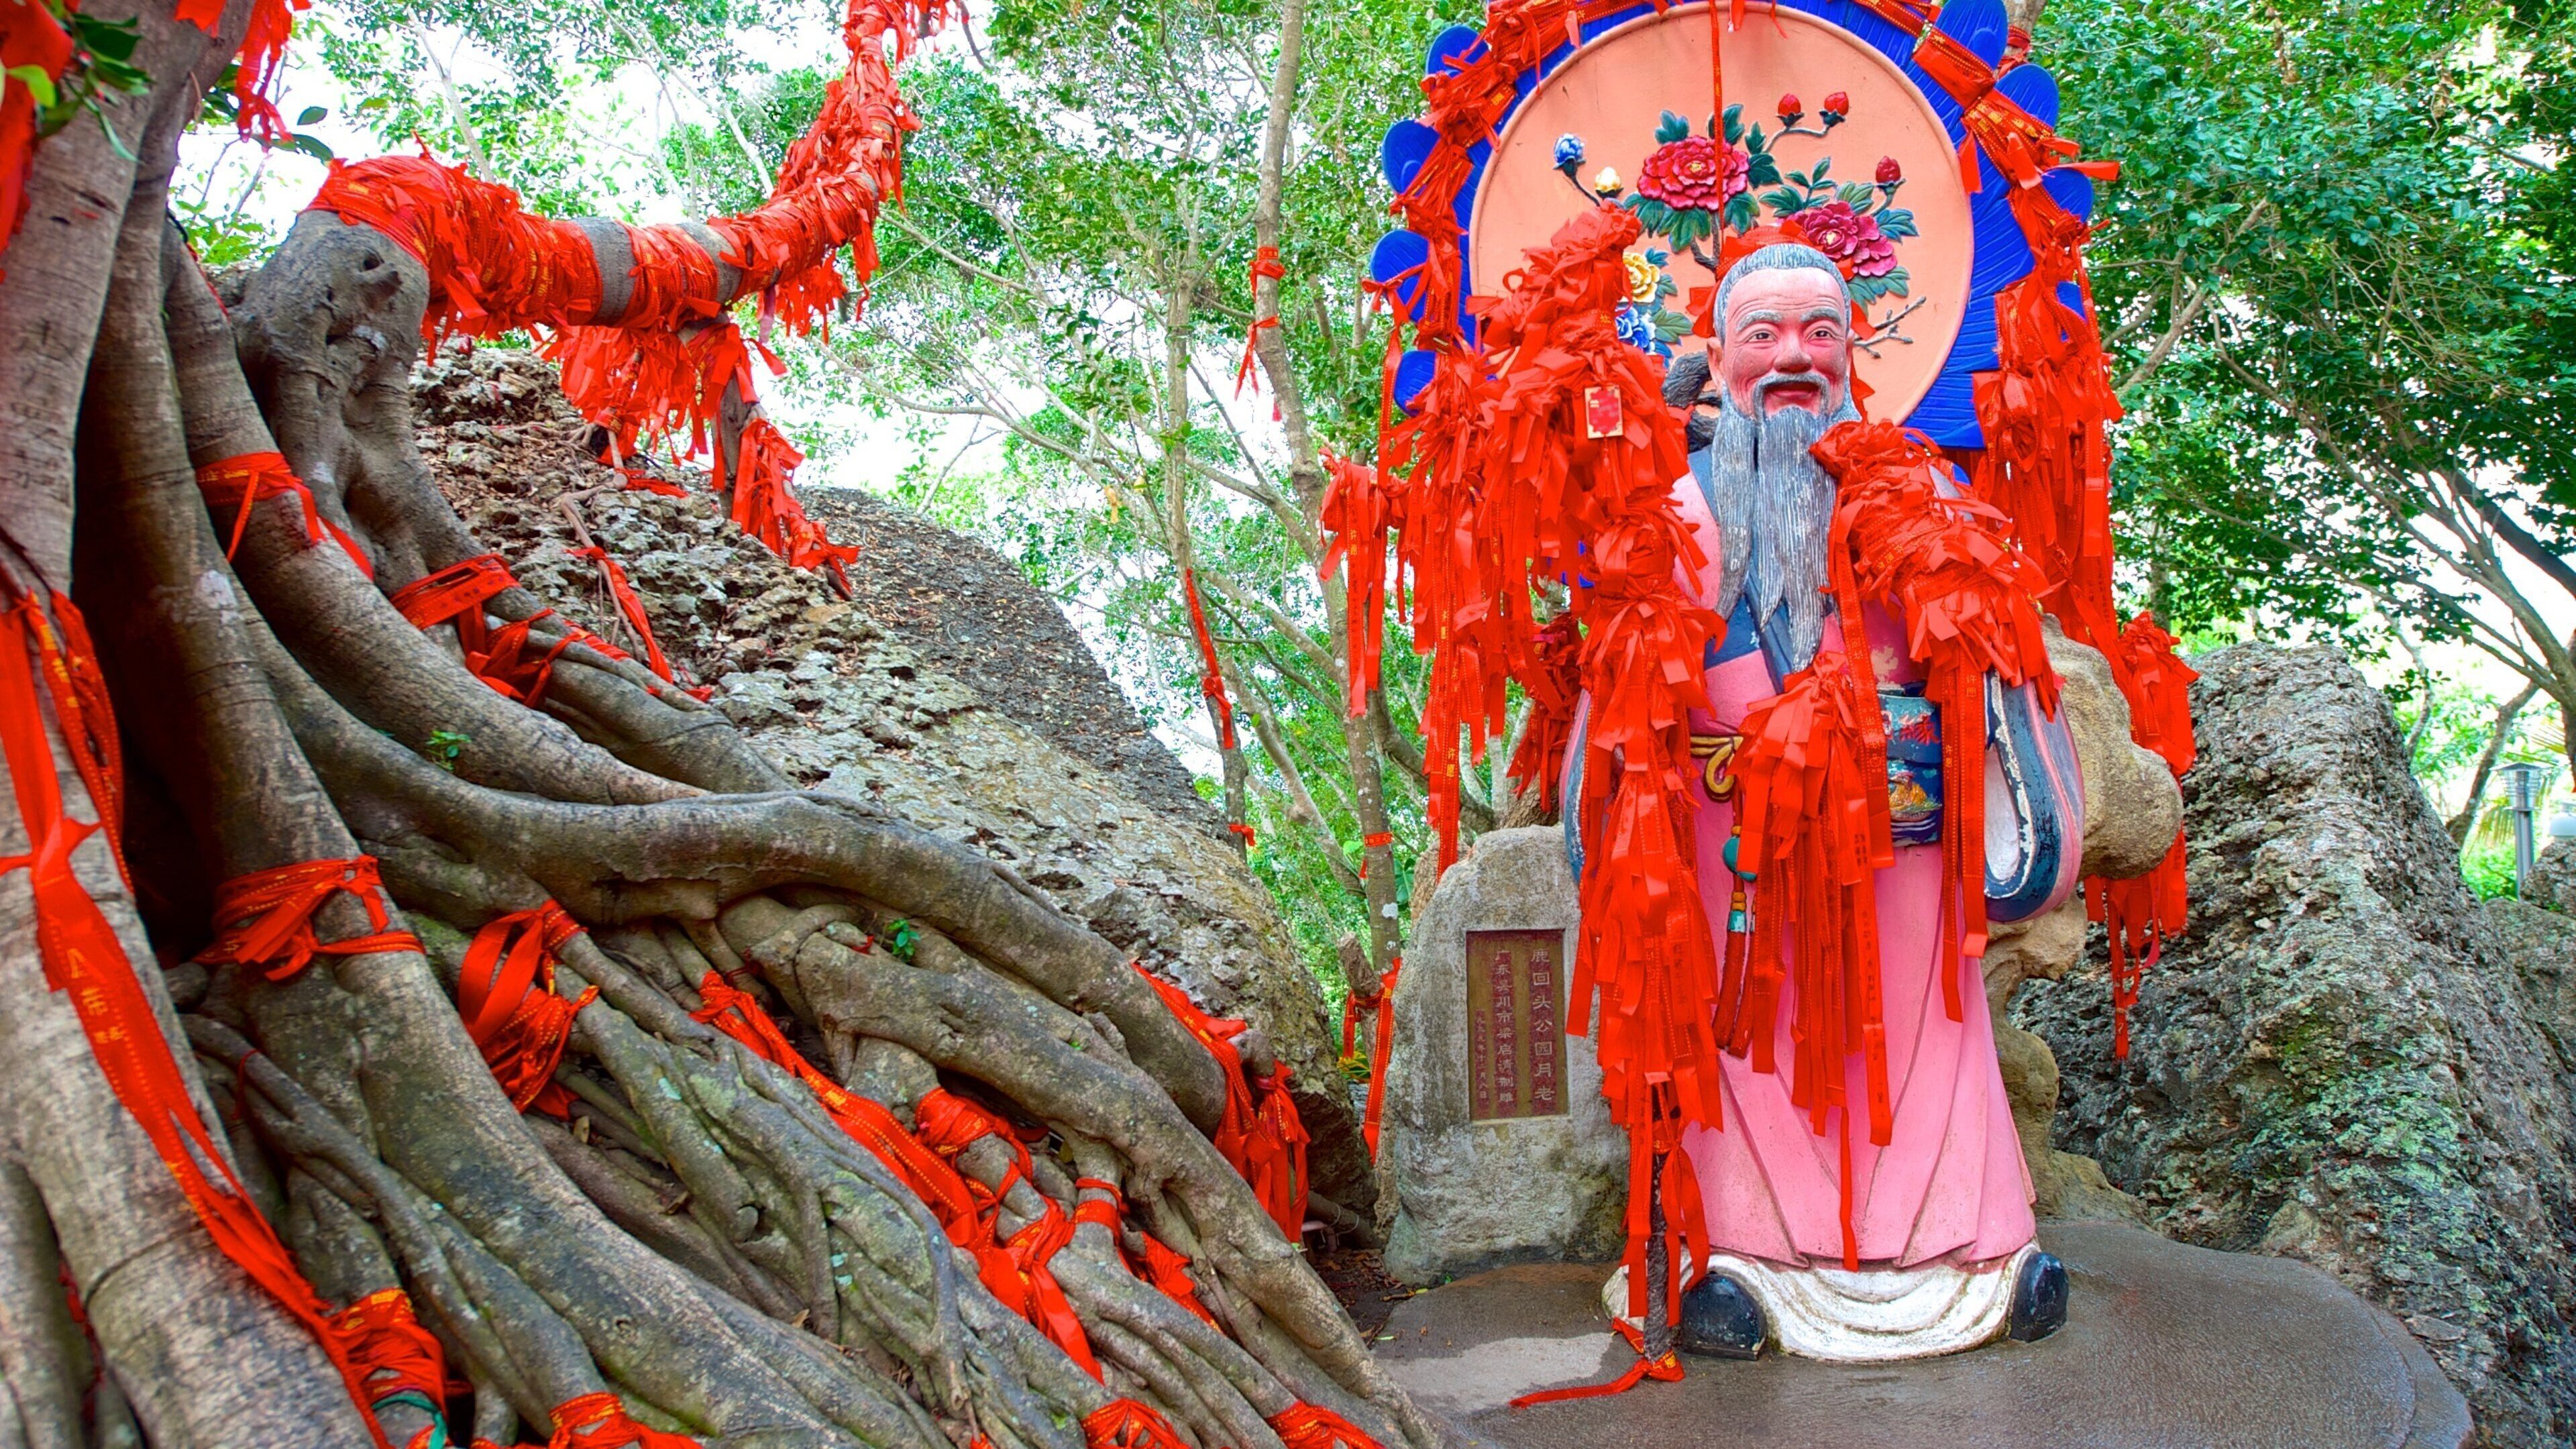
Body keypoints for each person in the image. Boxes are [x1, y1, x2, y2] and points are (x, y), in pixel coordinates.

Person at [1568, 243, 2083, 1362]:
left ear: (1855, 353)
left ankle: (1972, 1255)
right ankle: (1740, 1258)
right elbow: (1613, 690)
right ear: (1719, 358)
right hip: (1723, 855)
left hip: (1898, 854)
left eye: (1819, 333)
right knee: (1742, 1053)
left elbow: (1996, 665)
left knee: (1924, 1043)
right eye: (1763, 336)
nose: (1793, 359)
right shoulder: (1671, 511)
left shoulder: (1922, 490)